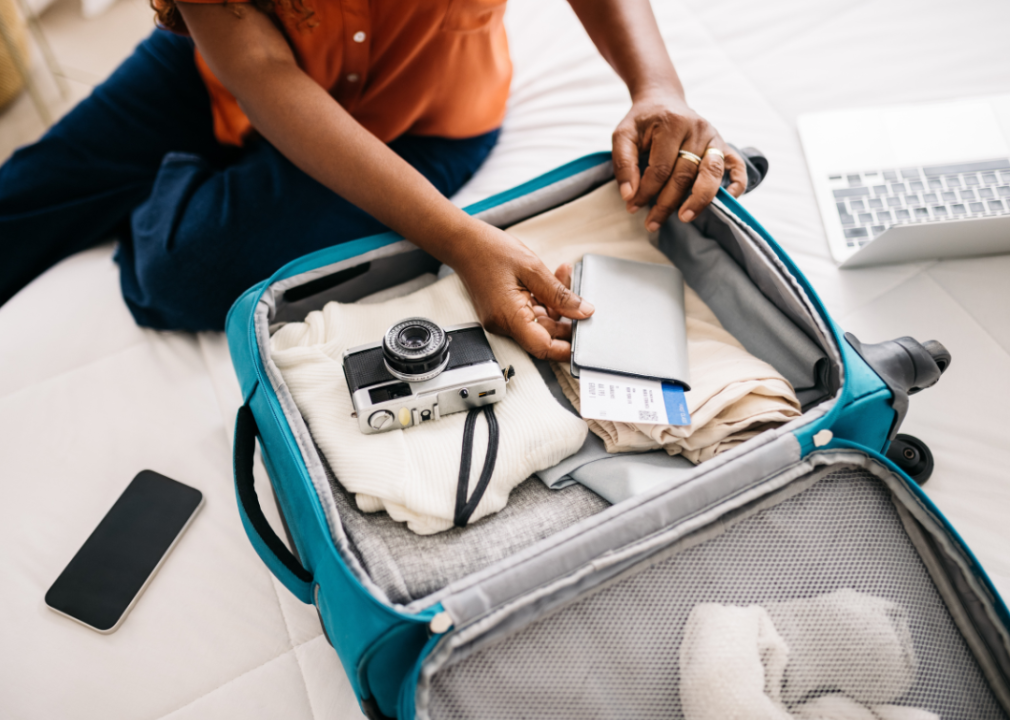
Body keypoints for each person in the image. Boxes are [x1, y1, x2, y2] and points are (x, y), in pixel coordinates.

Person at [0, 0, 746, 361]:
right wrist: (460, 239)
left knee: (182, 273)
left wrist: (656, 87)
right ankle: (215, 166)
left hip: (423, 119)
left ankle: (187, 178)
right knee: (21, 198)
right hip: (225, 73)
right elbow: (260, 71)